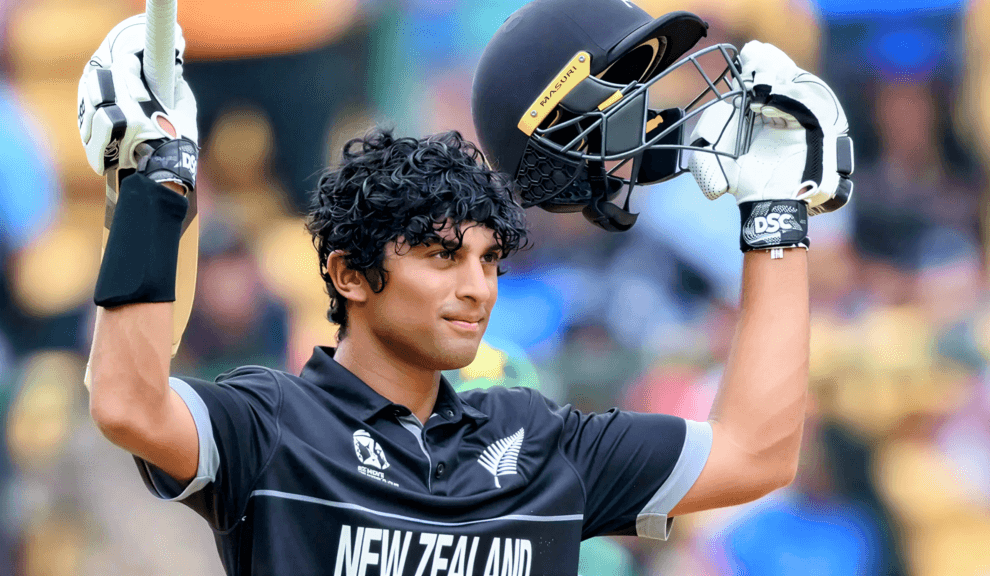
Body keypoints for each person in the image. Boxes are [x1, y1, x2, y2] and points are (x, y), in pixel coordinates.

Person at [78, 1, 854, 574]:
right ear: (350, 274)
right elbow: (127, 400)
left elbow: (758, 452)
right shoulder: (274, 423)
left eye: (489, 260)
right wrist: (155, 187)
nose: (477, 286)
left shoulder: (547, 443)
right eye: (442, 258)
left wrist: (776, 219)